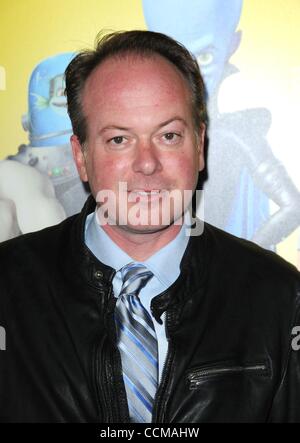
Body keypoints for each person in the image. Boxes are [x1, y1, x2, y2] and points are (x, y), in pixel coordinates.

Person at [0, 30, 299, 423]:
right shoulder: (8, 285)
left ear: (200, 146)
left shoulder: (278, 295)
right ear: (81, 156)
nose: (146, 164)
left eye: (169, 135)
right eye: (120, 139)